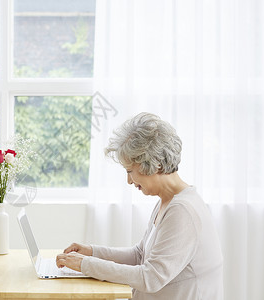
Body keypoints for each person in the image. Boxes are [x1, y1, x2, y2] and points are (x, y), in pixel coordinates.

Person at [56, 112, 223, 300]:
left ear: (155, 164)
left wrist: (86, 264)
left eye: (130, 171)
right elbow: (140, 255)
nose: (129, 180)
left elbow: (150, 278)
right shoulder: (168, 201)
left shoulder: (182, 211)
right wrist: (92, 252)